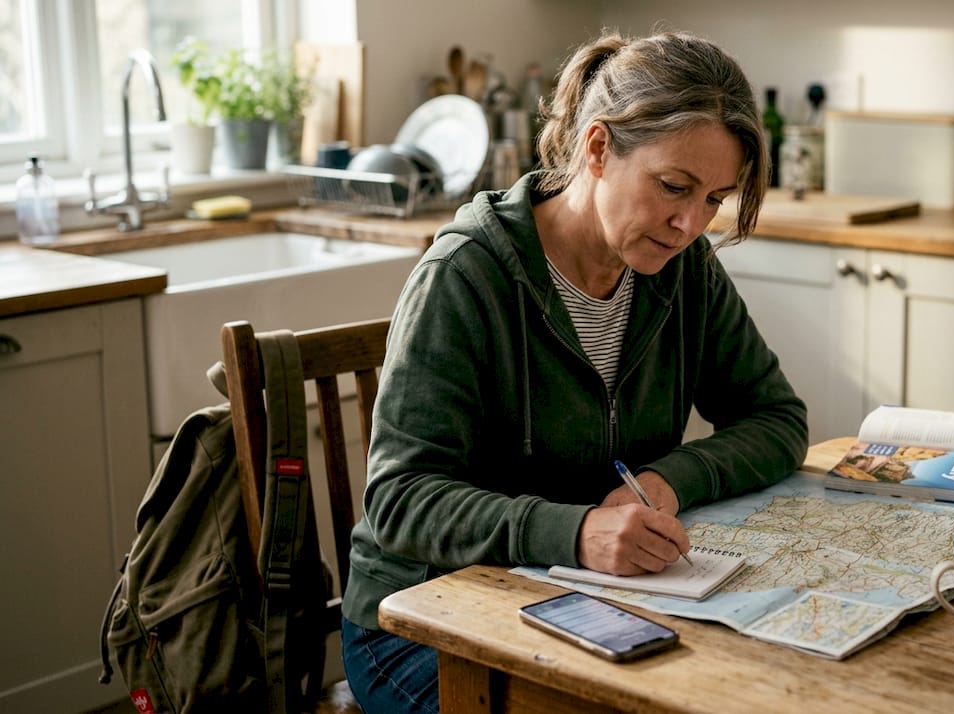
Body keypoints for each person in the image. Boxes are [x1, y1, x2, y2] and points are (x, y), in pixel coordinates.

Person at [340, 28, 809, 713]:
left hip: (592, 599)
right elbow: (402, 498)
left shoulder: (683, 271)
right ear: (597, 148)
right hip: (425, 621)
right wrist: (576, 533)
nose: (689, 224)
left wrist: (667, 479)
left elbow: (776, 418)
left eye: (714, 198)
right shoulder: (466, 277)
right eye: (674, 187)